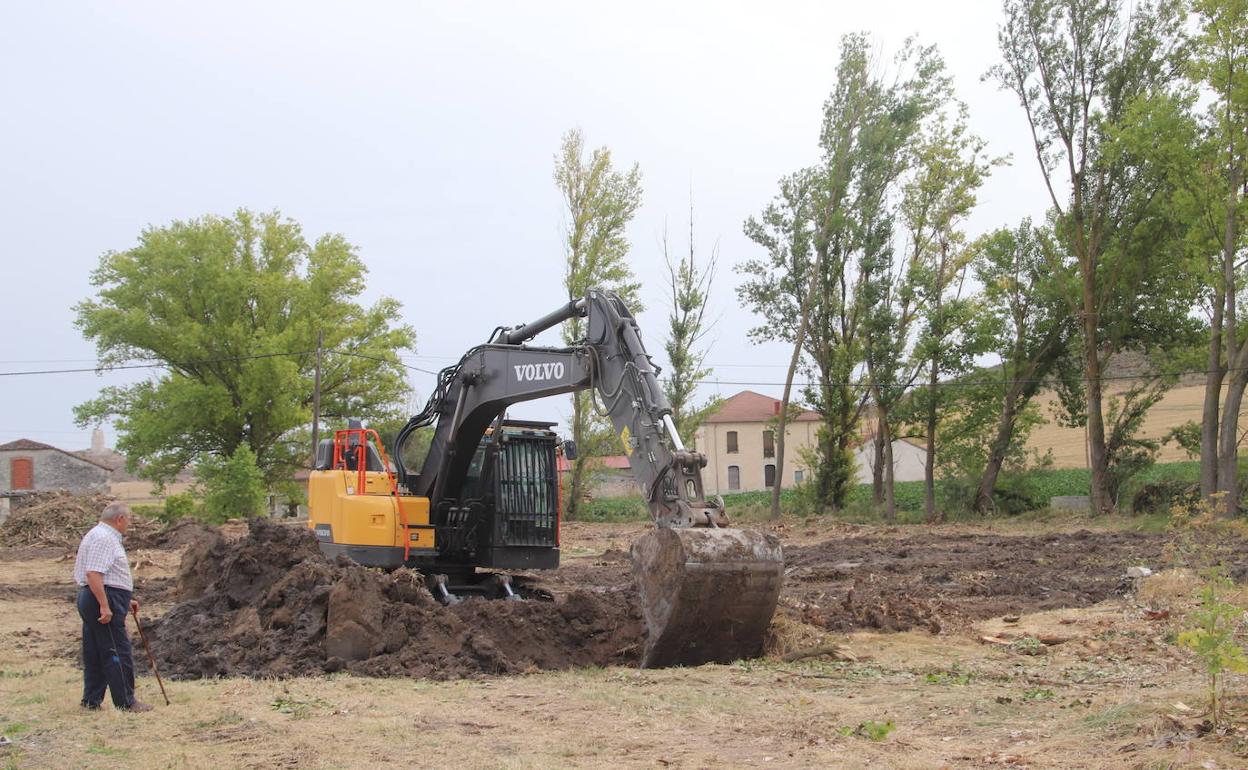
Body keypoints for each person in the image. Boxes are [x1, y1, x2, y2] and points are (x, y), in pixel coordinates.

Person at [73, 501, 152, 712]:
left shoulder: (96, 534)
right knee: (117, 649)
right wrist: (105, 605)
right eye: (129, 519)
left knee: (96, 651)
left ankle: (91, 701)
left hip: (100, 596)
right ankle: (126, 701)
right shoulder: (105, 538)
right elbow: (94, 574)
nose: (130, 524)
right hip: (101, 597)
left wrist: (124, 600)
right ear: (119, 520)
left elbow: (105, 575)